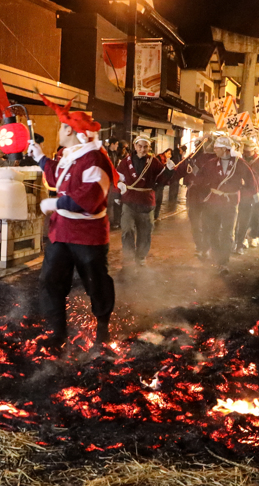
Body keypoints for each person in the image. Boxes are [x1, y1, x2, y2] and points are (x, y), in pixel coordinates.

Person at [30, 97, 116, 350]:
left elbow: (89, 197)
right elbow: (58, 178)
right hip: (61, 233)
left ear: (69, 130)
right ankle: (57, 333)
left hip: (88, 236)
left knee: (96, 283)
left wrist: (56, 203)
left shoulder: (94, 160)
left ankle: (103, 329)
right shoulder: (70, 156)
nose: (58, 131)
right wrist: (40, 158)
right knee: (51, 281)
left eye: (61, 127)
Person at [196, 135, 258, 274]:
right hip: (213, 201)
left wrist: (250, 194)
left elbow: (251, 181)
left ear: (225, 149)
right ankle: (216, 256)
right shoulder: (211, 163)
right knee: (213, 231)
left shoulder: (239, 163)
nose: (215, 150)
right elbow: (200, 178)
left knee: (227, 233)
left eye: (217, 148)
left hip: (230, 202)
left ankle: (223, 262)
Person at [113, 135, 175, 267]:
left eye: (145, 147)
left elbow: (162, 180)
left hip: (146, 202)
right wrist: (117, 194)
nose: (142, 149)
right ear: (135, 146)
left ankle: (141, 257)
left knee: (145, 232)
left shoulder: (154, 162)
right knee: (127, 229)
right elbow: (117, 179)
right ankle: (129, 257)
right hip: (129, 200)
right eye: (140, 146)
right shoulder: (125, 162)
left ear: (149, 148)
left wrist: (169, 171)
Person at [171, 135, 216, 258]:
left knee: (207, 222)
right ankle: (200, 246)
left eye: (200, 144)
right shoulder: (191, 158)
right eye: (197, 144)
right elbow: (179, 172)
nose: (197, 146)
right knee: (195, 222)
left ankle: (206, 247)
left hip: (209, 194)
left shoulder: (215, 158)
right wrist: (168, 172)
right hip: (193, 194)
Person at [238, 140, 259, 250]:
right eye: (245, 151)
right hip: (243, 192)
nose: (247, 153)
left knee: (256, 214)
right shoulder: (241, 160)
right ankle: (244, 237)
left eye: (249, 151)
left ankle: (254, 236)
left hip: (256, 192)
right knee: (243, 216)